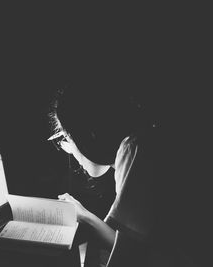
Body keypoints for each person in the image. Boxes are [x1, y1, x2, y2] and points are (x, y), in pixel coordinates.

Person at [48, 78, 195, 267]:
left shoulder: (135, 148)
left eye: (67, 137)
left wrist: (84, 217)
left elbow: (127, 258)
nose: (69, 148)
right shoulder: (142, 144)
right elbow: (130, 244)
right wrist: (84, 215)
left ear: (89, 133)